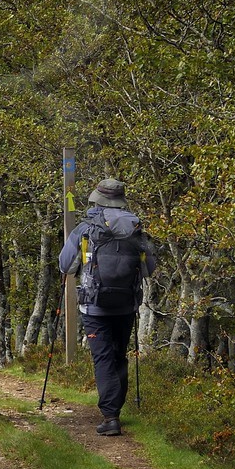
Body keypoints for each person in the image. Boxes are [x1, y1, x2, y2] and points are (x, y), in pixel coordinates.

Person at [58, 177, 155, 436]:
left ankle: (110, 416)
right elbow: (149, 269)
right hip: (126, 304)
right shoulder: (136, 228)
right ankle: (116, 410)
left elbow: (65, 265)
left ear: (97, 200)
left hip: (94, 306)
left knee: (102, 358)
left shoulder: (86, 228)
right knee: (119, 355)